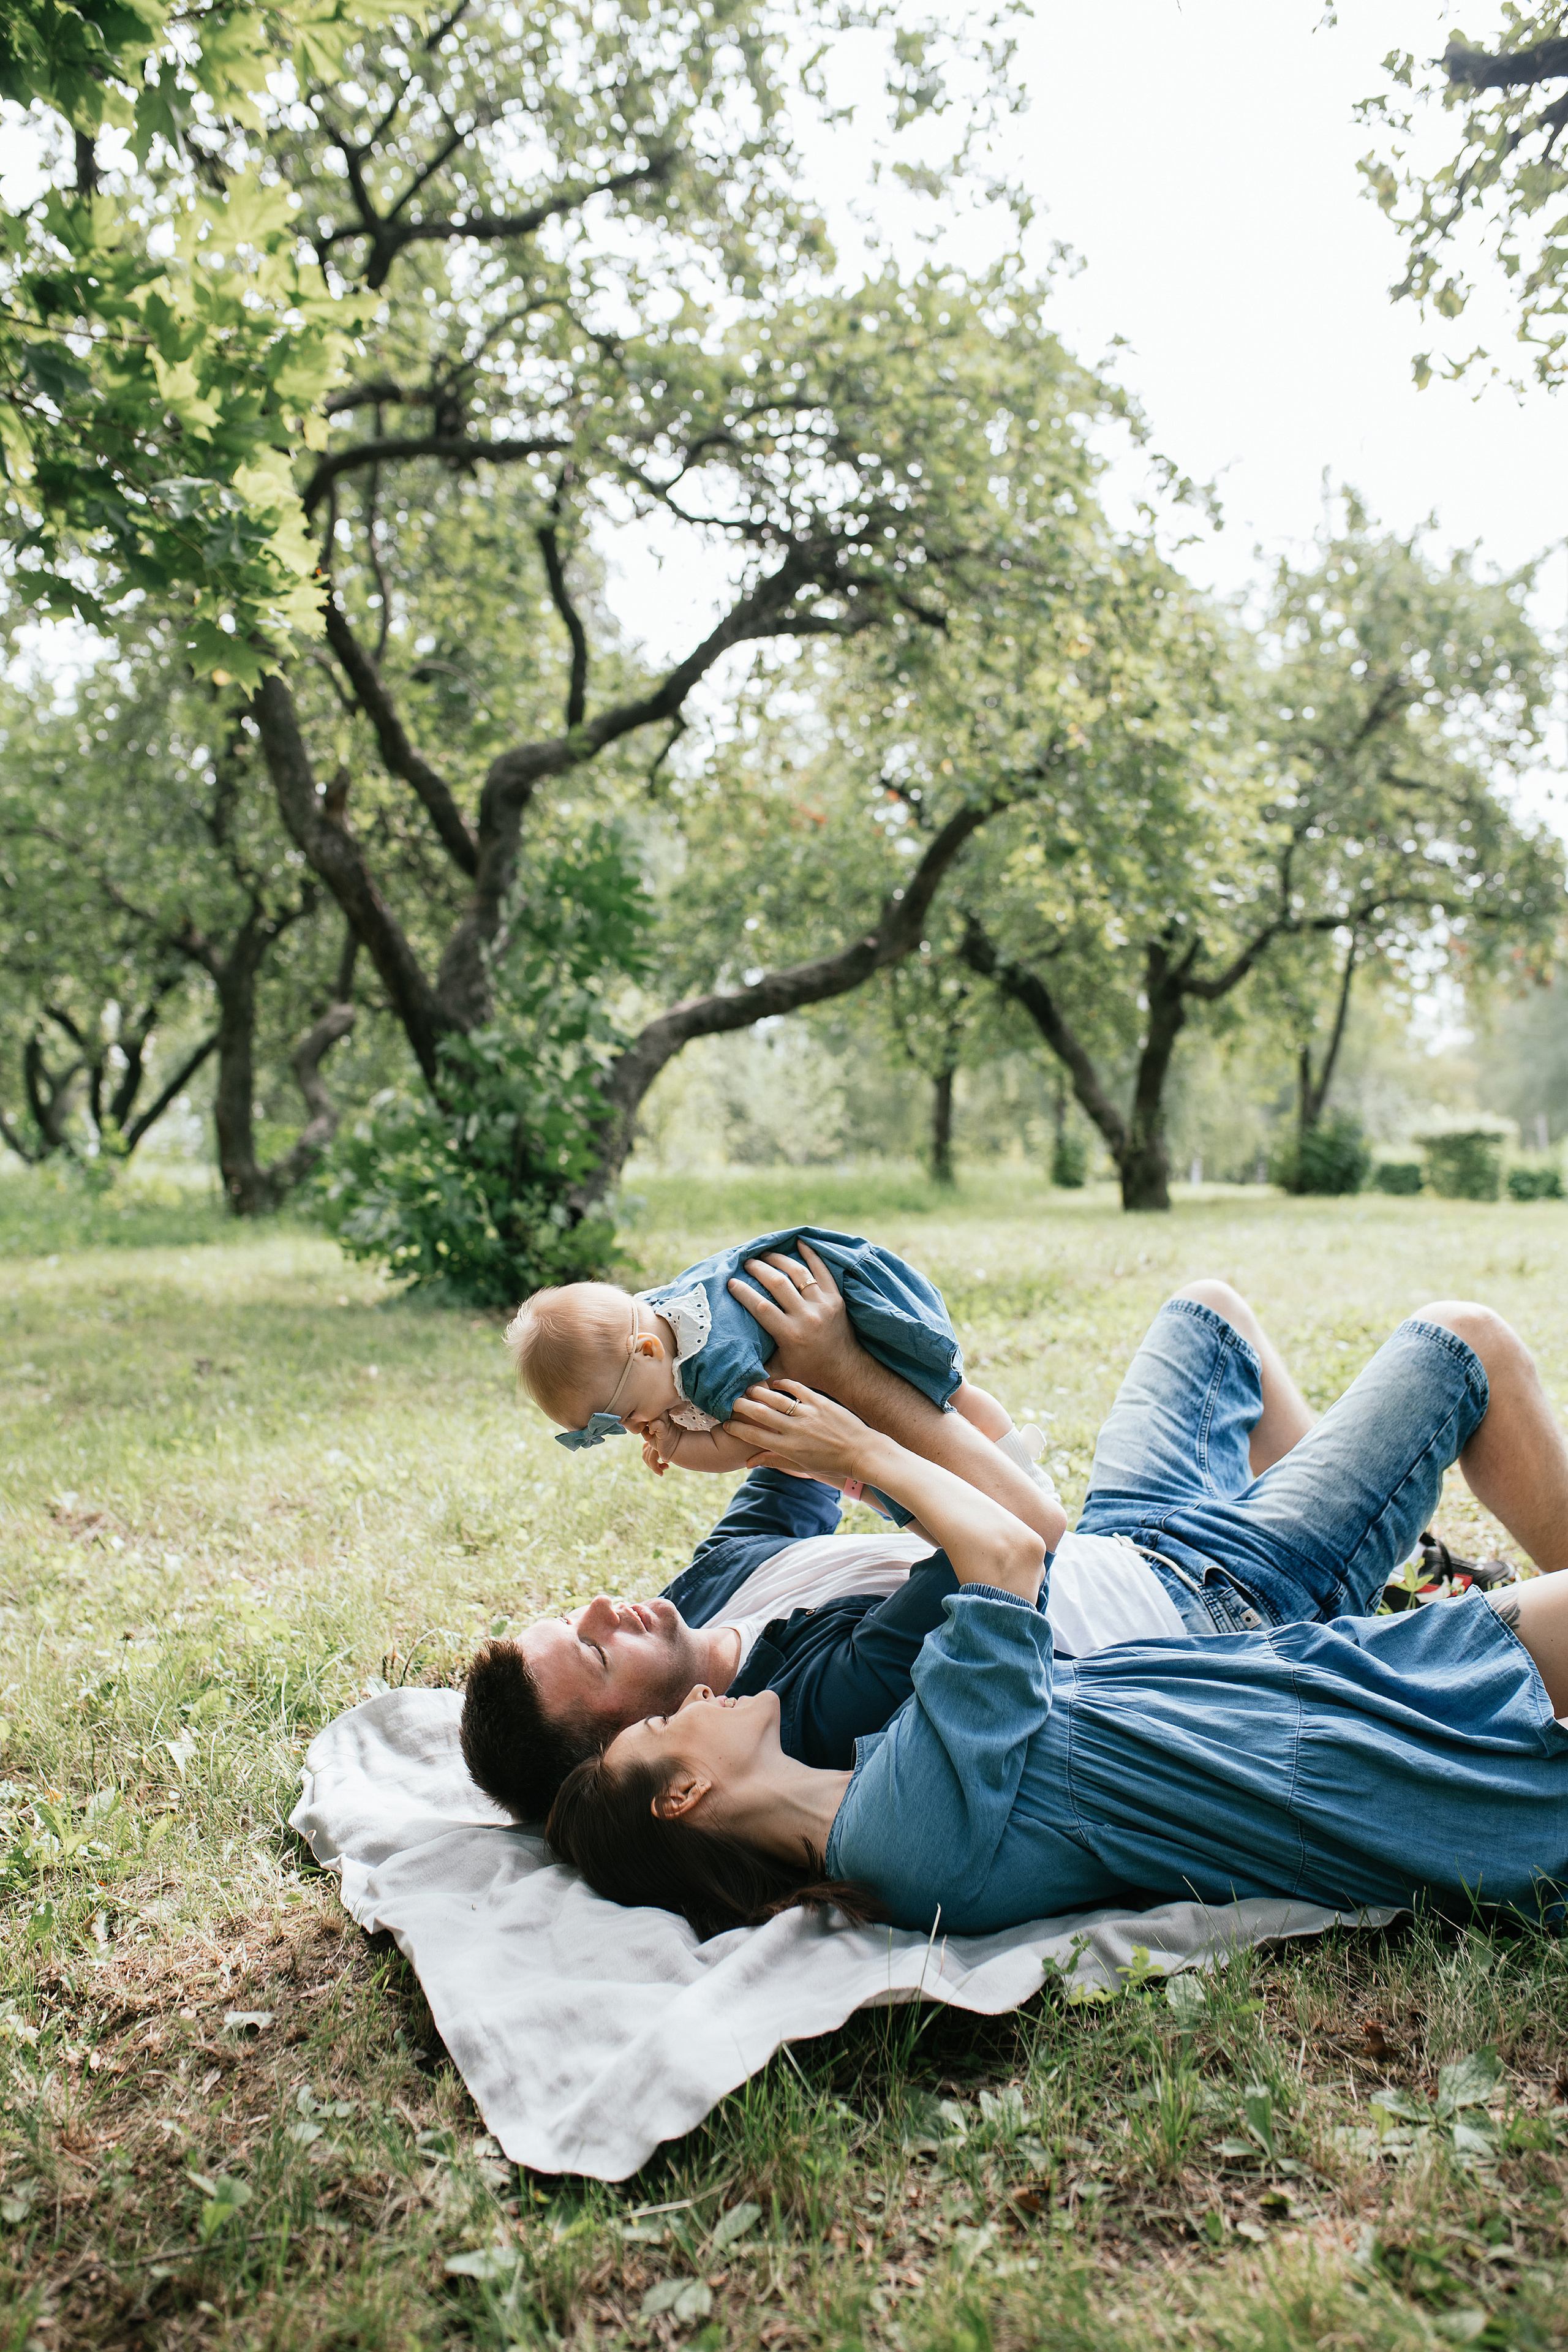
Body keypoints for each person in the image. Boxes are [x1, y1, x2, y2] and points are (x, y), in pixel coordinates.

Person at [463, 1264, 1568, 1819]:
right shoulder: (809, 1711)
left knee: (1210, 1313)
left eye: (575, 1618)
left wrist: (685, 1388)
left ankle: (1366, 1559)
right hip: (1211, 1603)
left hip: (1128, 1536)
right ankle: (1426, 1591)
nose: (608, 1610)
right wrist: (849, 1378)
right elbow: (1011, 1540)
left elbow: (780, 1465)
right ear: (626, 1751)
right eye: (598, 1653)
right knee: (1466, 1344)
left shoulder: (705, 1596)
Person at [545, 1374, 1568, 1942]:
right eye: (660, 1729)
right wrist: (858, 1452)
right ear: (682, 1794)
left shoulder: (880, 1784)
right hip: (1379, 1768)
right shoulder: (900, 1836)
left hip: (1341, 1681)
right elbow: (1009, 1550)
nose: (691, 1706)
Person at [503, 1229, 1054, 1508]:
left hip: (854, 1369)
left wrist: (674, 1442)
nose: (626, 1428)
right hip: (847, 1338)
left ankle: (1016, 1475)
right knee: (955, 1401)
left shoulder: (713, 1368)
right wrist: (663, 1416)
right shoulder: (665, 1315)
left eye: (618, 1415)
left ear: (648, 1351)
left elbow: (742, 1446)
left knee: (926, 1453)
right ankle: (1010, 1458)